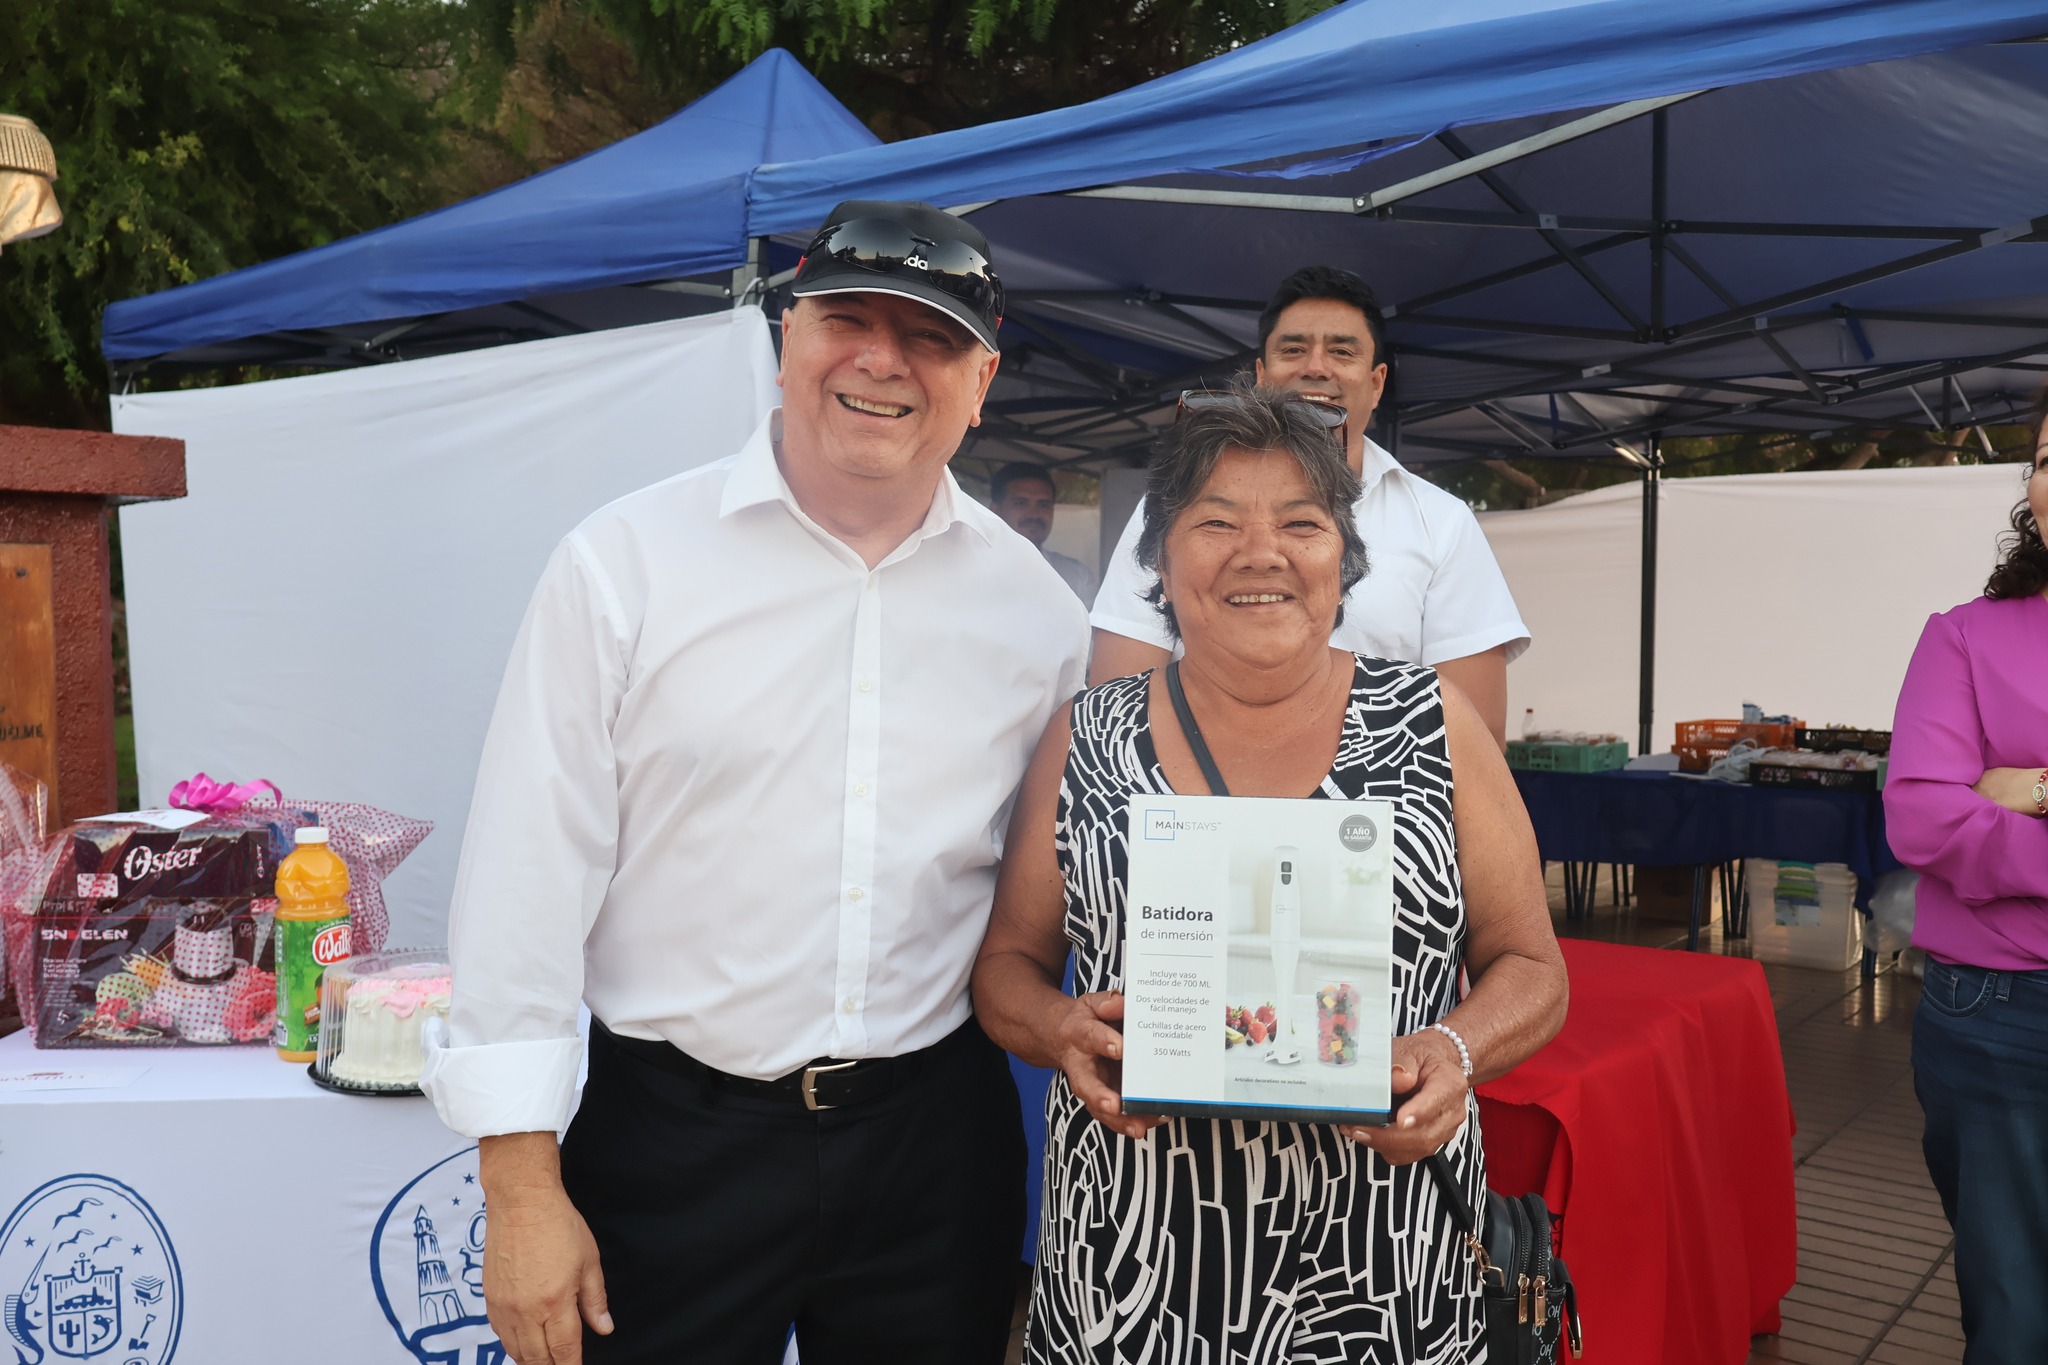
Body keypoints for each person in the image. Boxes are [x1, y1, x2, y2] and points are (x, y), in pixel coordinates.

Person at [420, 199, 1090, 1365]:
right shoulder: (623, 565)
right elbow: (527, 876)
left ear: (979, 382)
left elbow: (1064, 874)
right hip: (671, 1138)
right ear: (787, 339)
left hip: (932, 1147)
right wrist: (519, 1186)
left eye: (929, 338)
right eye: (847, 320)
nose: (881, 360)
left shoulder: (1036, 613)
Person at [973, 384, 1567, 1363]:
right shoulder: (1089, 736)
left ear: (1344, 556)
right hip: (1132, 1265)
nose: (1261, 553)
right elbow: (1005, 966)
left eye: (1300, 522)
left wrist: (1453, 1052)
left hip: (1381, 1265)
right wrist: (1057, 1027)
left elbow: (1533, 967)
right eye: (1216, 522)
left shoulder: (1434, 726)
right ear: (1161, 559)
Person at [1088, 266, 1529, 746]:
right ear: (1260, 376)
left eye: (1342, 351)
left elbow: (1473, 743)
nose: (1316, 367)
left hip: (1379, 792)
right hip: (1191, 786)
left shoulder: (1441, 523)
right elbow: (1116, 711)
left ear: (1377, 383)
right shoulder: (1177, 502)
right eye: (1293, 349)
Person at [1887, 414, 2048, 1363]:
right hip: (1999, 1013)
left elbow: (1969, 809)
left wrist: (2022, 785)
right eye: (2046, 459)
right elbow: (1923, 815)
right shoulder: (1963, 637)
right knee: (2015, 1308)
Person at [991, 460, 1098, 602]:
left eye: (1044, 505)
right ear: (995, 510)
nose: (1034, 514)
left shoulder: (1077, 577)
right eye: (1021, 503)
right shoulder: (969, 567)